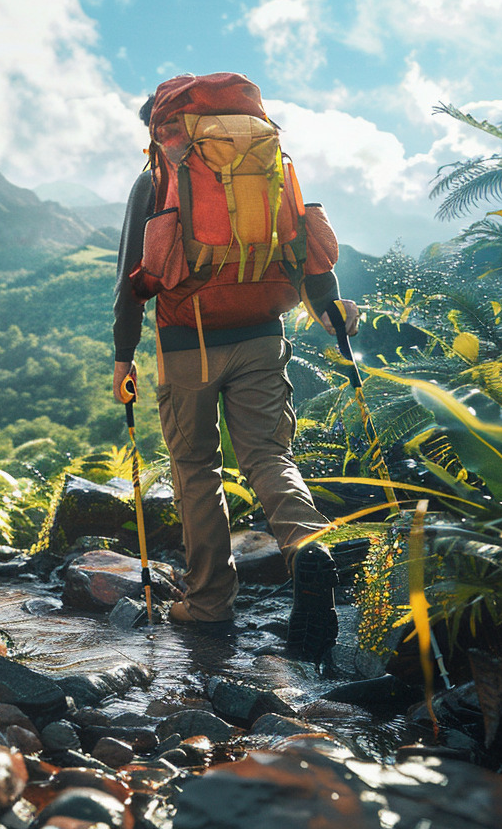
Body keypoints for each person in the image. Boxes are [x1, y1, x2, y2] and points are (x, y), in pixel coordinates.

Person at [111, 88, 360, 662]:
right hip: (263, 336)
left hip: (187, 344)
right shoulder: (264, 161)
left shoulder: (157, 175)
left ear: (160, 125)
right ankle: (307, 543)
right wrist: (329, 309)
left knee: (197, 467)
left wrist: (123, 357)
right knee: (271, 456)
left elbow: (132, 276)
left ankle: (209, 603)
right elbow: (303, 244)